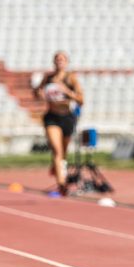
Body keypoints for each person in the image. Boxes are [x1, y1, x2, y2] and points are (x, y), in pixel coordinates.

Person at [34, 51, 84, 196]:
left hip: (67, 117)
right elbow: (37, 92)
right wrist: (39, 93)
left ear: (66, 62)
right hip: (52, 117)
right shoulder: (48, 78)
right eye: (57, 59)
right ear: (54, 62)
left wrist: (66, 91)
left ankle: (56, 167)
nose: (59, 61)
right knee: (57, 150)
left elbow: (81, 100)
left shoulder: (71, 78)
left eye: (62, 59)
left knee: (63, 152)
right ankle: (62, 184)